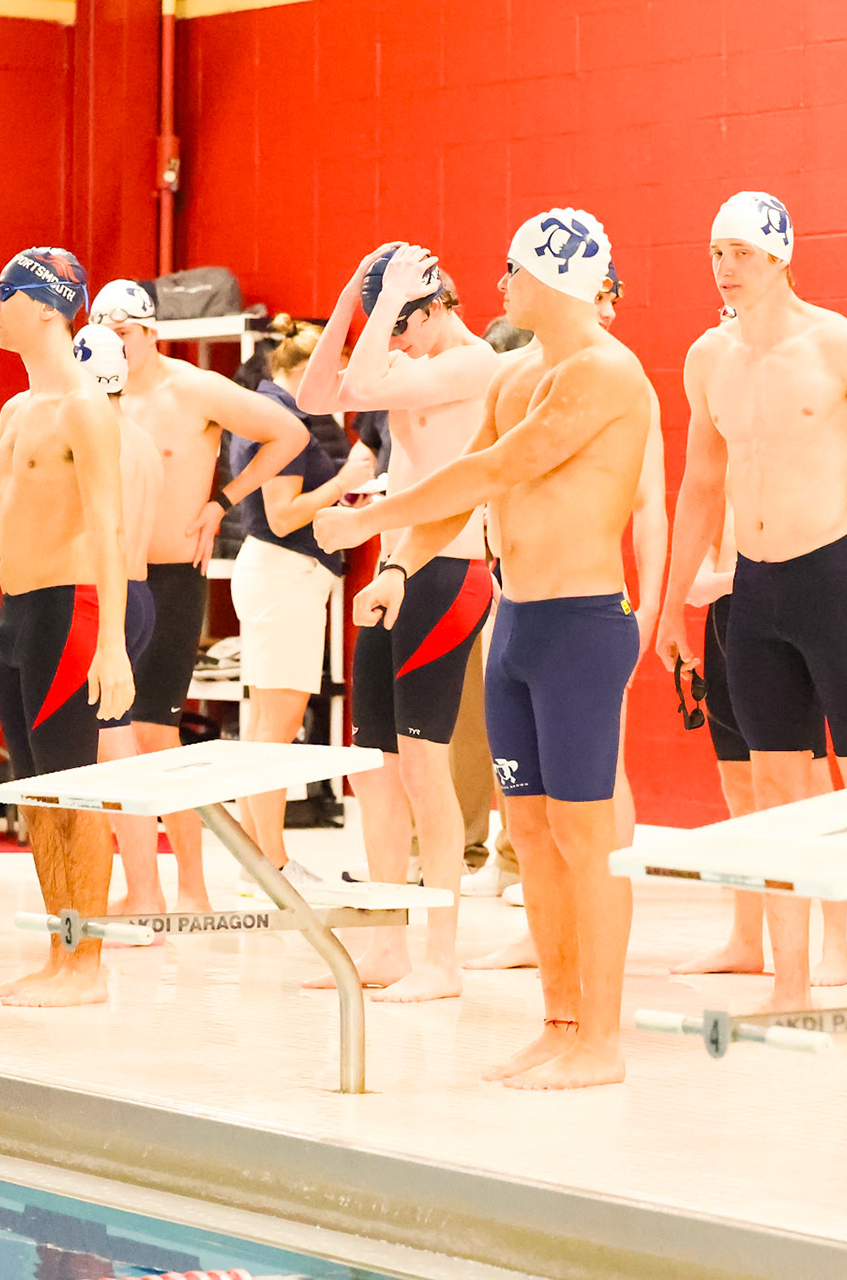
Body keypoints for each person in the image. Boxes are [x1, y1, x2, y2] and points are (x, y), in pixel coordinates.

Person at [317, 208, 652, 1090]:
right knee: (531, 835)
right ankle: (560, 1023)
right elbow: (462, 499)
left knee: (584, 839)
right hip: (517, 627)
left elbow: (496, 469)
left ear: (554, 278)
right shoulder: (515, 377)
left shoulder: (606, 372)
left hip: (581, 627)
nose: (498, 283)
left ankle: (602, 1042)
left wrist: (372, 519)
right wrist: (399, 564)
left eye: (513, 269)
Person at [654, 192, 847, 1008]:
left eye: (743, 254)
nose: (726, 269)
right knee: (776, 797)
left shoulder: (842, 347)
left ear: (782, 256)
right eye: (716, 253)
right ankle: (788, 987)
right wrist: (669, 607)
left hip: (829, 577)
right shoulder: (707, 358)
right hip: (753, 591)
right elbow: (699, 487)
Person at [294, 244, 499, 1001]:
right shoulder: (411, 356)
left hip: (448, 572)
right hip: (395, 570)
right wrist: (354, 291)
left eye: (404, 323)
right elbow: (319, 392)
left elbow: (359, 385)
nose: (396, 339)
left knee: (422, 768)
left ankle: (441, 956)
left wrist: (380, 307)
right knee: (374, 769)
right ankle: (388, 944)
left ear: (437, 305)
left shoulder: (475, 364)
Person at [0, 246, 135, 1007]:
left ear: (48, 307)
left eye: (3, 295)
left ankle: (88, 967)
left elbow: (110, 528)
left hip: (69, 613)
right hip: (19, 617)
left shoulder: (85, 406)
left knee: (73, 796)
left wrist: (113, 645)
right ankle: (61, 954)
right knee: (38, 798)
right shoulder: (17, 411)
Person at [460, 260, 669, 972]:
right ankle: (550, 941)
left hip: (586, 609)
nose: (606, 311)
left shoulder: (618, 379)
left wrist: (651, 610)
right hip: (516, 600)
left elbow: (650, 506)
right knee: (532, 802)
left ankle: (594, 949)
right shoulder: (519, 376)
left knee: (597, 790)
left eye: (612, 299)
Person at [89, 279, 307, 915]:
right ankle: (142, 888)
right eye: (104, 336)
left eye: (123, 335)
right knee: (112, 739)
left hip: (171, 579)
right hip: (110, 582)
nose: (115, 347)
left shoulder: (194, 390)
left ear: (151, 333)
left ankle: (193, 887)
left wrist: (222, 502)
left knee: (157, 735)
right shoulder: (95, 397)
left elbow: (288, 434)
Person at [230, 316, 374, 887]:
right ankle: (272, 863)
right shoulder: (281, 421)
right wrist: (345, 481)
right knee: (278, 725)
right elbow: (283, 514)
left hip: (281, 576)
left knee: (266, 724)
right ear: (311, 370)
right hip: (283, 576)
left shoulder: (274, 413)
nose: (341, 389)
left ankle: (257, 862)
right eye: (338, 375)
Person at [74, 323, 162, 879]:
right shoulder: (142, 438)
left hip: (103, 599)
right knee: (117, 740)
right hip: (138, 594)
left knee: (103, 752)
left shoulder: (98, 438)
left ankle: (138, 887)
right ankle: (140, 885)